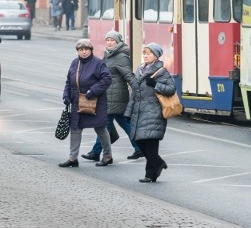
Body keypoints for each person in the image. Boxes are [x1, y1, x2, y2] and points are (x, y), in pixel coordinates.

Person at [82, 31, 143, 163]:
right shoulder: (108, 54)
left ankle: (96, 152)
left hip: (116, 96)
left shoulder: (121, 57)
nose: (109, 42)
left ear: (118, 42)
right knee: (125, 123)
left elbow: (128, 75)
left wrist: (138, 91)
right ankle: (140, 148)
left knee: (104, 124)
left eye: (112, 40)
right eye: (107, 40)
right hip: (108, 95)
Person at [125, 42, 176, 182]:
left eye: (149, 53)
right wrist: (128, 113)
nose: (146, 55)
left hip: (154, 111)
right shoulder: (139, 70)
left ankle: (150, 174)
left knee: (151, 143)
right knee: (140, 141)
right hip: (139, 111)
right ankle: (158, 164)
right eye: (145, 53)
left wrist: (156, 85)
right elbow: (134, 93)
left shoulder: (161, 71)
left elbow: (171, 88)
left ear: (156, 56)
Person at [59, 39, 113, 168]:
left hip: (95, 102)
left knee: (100, 128)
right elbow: (69, 81)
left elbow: (107, 79)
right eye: (80, 50)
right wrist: (66, 95)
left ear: (91, 50)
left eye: (86, 49)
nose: (83, 52)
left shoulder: (98, 63)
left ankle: (107, 156)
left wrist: (93, 91)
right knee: (75, 129)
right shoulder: (74, 63)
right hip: (77, 101)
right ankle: (73, 158)